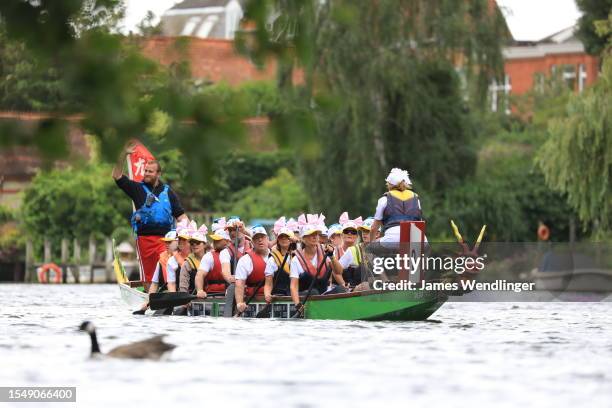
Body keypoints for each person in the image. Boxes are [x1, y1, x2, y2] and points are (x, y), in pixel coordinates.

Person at [112, 144, 188, 290]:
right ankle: (151, 299)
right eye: (145, 171)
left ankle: (168, 294)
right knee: (148, 275)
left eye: (150, 172)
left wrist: (190, 233)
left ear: (158, 174)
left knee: (166, 269)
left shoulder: (168, 192)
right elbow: (117, 176)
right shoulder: (137, 189)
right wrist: (123, 154)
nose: (146, 173)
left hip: (165, 240)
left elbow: (181, 216)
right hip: (144, 240)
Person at [290, 215, 347, 314]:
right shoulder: (296, 260)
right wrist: (297, 304)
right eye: (311, 235)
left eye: (316, 234)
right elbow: (293, 286)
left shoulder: (326, 251)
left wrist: (332, 257)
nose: (315, 237)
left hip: (322, 294)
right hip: (304, 295)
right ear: (303, 239)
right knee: (314, 292)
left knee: (341, 289)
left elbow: (339, 271)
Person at [369, 168, 422, 243]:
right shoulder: (416, 200)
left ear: (389, 185)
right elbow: (420, 222)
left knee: (374, 247)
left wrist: (371, 244)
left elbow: (374, 228)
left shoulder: (384, 200)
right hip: (415, 238)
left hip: (393, 238)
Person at [134, 230, 178, 313]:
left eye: (169, 242)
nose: (166, 245)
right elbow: (154, 284)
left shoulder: (185, 257)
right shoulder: (161, 260)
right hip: (167, 293)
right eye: (166, 242)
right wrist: (148, 302)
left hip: (181, 293)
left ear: (177, 242)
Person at [235, 225, 274, 314]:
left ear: (267, 239)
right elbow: (239, 283)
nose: (260, 240)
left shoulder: (276, 256)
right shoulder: (245, 260)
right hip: (255, 298)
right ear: (252, 241)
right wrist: (239, 303)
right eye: (256, 238)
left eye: (262, 237)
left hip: (275, 297)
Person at [195, 228, 231, 299]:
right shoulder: (209, 256)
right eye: (214, 239)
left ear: (227, 241)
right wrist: (200, 290)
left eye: (218, 240)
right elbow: (199, 275)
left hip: (233, 294)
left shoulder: (235, 254)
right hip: (214, 295)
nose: (214, 241)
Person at [219, 216, 252, 284]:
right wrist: (230, 278)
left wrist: (245, 231)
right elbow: (226, 272)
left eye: (234, 229)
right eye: (230, 230)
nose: (232, 233)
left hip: (253, 289)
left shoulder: (253, 245)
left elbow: (265, 243)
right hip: (235, 287)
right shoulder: (225, 252)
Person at [268, 219, 296, 296]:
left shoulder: (298, 256)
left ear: (291, 240)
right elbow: (268, 283)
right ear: (278, 240)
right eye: (281, 237)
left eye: (287, 237)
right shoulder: (272, 259)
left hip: (296, 293)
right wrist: (267, 294)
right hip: (279, 294)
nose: (284, 239)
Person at [178, 224, 208, 294]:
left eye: (197, 242)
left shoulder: (211, 258)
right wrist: (185, 301)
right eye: (192, 243)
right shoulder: (187, 264)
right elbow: (183, 288)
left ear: (205, 244)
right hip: (193, 299)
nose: (194, 245)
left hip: (211, 296)